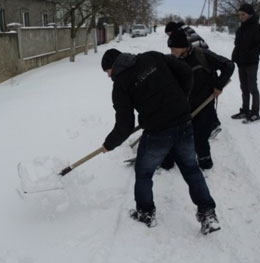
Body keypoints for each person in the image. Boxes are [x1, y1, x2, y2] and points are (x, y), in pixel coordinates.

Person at [100, 48, 220, 235]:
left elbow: (125, 124)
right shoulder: (151, 56)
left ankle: (146, 213)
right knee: (191, 168)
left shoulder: (120, 84)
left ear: (113, 66)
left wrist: (109, 144)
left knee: (144, 172)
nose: (109, 77)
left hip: (158, 132)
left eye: (107, 72)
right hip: (183, 121)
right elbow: (186, 72)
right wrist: (182, 99)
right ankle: (208, 214)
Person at [167, 29, 234, 170]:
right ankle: (168, 161)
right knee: (176, 134)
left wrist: (218, 85)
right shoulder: (173, 60)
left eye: (174, 48)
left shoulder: (202, 55)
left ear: (184, 46)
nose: (172, 52)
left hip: (204, 103)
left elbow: (228, 65)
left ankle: (205, 163)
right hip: (185, 105)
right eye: (171, 49)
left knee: (200, 137)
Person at [165, 21, 220, 139]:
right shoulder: (184, 34)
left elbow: (197, 55)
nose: (169, 37)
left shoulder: (187, 39)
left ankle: (213, 124)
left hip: (204, 68)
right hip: (200, 66)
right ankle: (210, 123)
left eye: (169, 34)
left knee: (204, 99)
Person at [231, 3, 260, 123]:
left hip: (251, 62)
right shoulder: (240, 29)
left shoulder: (257, 28)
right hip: (241, 62)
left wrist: (252, 54)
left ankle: (255, 112)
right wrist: (234, 56)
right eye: (239, 15)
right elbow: (237, 45)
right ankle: (245, 110)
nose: (241, 16)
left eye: (243, 14)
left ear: (250, 15)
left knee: (252, 87)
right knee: (244, 87)